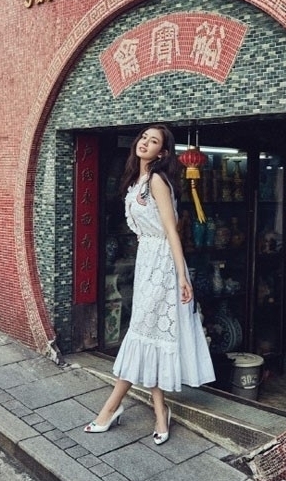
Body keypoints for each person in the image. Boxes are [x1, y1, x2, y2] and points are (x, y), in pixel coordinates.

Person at [84, 124, 215, 444]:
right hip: (147, 261)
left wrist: (182, 275)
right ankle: (160, 413)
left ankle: (110, 409)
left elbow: (171, 230)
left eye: (153, 141)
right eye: (143, 137)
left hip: (164, 265)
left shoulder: (157, 180)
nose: (144, 143)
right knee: (149, 336)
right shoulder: (137, 181)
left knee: (142, 333)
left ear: (162, 152)